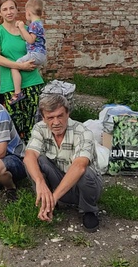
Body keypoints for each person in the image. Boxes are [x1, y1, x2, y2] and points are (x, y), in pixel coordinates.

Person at [23, 93, 103, 232]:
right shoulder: (40, 128)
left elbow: (79, 166)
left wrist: (53, 198)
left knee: (85, 173)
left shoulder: (82, 131)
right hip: (60, 179)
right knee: (36, 161)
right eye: (50, 118)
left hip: (85, 186)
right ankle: (47, 200)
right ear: (43, 118)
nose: (56, 122)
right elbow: (29, 156)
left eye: (60, 116)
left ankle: (88, 210)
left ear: (68, 113)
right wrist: (40, 182)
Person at [0, 0, 44, 141]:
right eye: (5, 9)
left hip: (32, 81)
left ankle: (33, 157)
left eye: (12, 8)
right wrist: (20, 66)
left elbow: (38, 48)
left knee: (33, 124)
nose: (9, 12)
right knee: (15, 125)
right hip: (11, 86)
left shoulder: (26, 29)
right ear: (0, 13)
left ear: (17, 10)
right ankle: (17, 159)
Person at [10, 0, 47, 104]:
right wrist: (21, 30)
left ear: (28, 12)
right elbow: (26, 38)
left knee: (15, 66)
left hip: (35, 54)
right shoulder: (39, 24)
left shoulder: (34, 24)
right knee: (21, 66)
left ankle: (17, 93)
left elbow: (31, 40)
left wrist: (22, 28)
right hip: (39, 54)